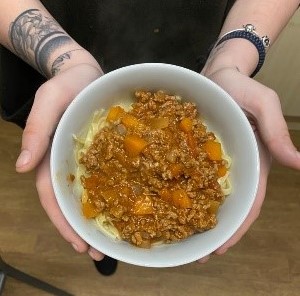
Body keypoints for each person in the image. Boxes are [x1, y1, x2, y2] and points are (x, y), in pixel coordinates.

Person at [0, 0, 300, 276]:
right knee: (94, 222)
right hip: (58, 50)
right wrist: (63, 59)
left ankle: (108, 253)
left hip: (196, 37)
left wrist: (231, 59)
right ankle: (106, 255)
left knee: (111, 225)